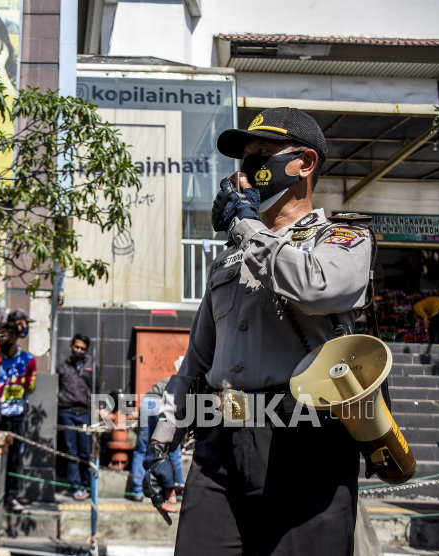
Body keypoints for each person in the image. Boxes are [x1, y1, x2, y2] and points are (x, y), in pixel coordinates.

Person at [143, 107, 373, 555]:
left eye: (260, 157)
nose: (245, 174)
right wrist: (162, 439)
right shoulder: (230, 258)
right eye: (243, 161)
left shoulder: (344, 240)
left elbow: (314, 286)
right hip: (220, 441)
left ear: (304, 164)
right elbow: (199, 361)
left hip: (306, 442)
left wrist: (247, 226)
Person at [0, 320, 37, 512]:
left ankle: (11, 497)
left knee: (15, 458)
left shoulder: (28, 359)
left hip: (17, 415)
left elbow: (31, 385)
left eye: (4, 335)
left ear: (14, 336)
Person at [128, 376, 183, 502]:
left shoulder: (175, 377)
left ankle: (137, 492)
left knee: (142, 449)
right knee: (173, 451)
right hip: (162, 404)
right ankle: (180, 490)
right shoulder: (190, 382)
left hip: (147, 402)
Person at [56, 333, 94, 500]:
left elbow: (96, 386)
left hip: (85, 412)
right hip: (67, 412)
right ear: (71, 347)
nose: (79, 351)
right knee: (71, 451)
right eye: (77, 347)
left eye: (82, 349)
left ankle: (86, 485)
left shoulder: (91, 366)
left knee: (85, 451)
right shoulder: (61, 367)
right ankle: (76, 487)